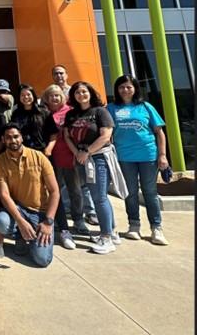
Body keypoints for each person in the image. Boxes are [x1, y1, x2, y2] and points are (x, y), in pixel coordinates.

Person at [107, 74, 169, 245]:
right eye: (121, 87)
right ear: (117, 90)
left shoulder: (145, 106)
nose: (125, 90)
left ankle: (156, 228)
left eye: (129, 87)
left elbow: (159, 132)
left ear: (135, 89)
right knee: (130, 193)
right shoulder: (111, 108)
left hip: (148, 156)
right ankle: (134, 225)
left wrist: (162, 155)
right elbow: (106, 133)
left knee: (150, 192)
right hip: (124, 157)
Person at [63, 81, 121, 255]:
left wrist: (87, 151)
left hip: (98, 158)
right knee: (99, 195)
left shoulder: (100, 112)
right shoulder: (72, 114)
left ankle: (106, 238)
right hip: (81, 158)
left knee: (99, 197)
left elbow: (106, 136)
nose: (81, 95)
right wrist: (78, 153)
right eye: (77, 92)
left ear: (90, 93)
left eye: (84, 91)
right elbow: (67, 136)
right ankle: (112, 231)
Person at [0, 125, 60, 267]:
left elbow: (55, 191)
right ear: (3, 140)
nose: (13, 140)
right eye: (9, 138)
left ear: (21, 138)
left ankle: (32, 237)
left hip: (40, 212)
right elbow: (4, 194)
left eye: (16, 136)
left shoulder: (39, 157)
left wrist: (48, 222)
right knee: (1, 222)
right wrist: (21, 221)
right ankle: (20, 237)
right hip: (18, 209)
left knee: (42, 260)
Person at [41, 84, 89, 239]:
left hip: (71, 156)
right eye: (51, 96)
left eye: (57, 95)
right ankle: (56, 219)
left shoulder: (70, 111)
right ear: (46, 99)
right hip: (52, 158)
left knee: (75, 190)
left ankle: (78, 219)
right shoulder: (44, 113)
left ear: (62, 97)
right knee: (54, 191)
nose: (54, 98)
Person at [10, 84, 49, 151]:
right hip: (23, 151)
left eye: (28, 94)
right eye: (22, 95)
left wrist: (48, 149)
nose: (26, 97)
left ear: (33, 95)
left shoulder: (43, 111)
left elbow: (53, 133)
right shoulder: (16, 114)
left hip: (42, 151)